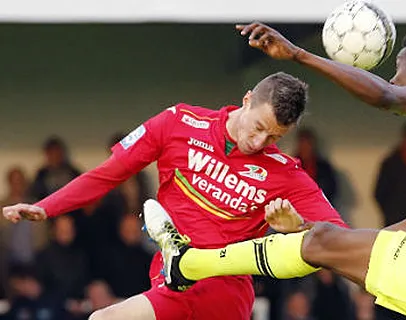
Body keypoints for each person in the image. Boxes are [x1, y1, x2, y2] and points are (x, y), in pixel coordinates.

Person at [146, 22, 406, 320]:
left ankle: (188, 264)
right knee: (322, 240)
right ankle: (187, 264)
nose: (393, 79)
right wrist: (333, 246)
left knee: (324, 242)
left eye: (398, 71)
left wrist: (298, 55)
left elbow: (385, 97)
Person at [2, 72, 347, 320]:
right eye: (257, 127)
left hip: (223, 295)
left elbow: (341, 238)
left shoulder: (286, 171)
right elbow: (109, 173)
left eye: (273, 137)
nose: (259, 143)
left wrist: (299, 225)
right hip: (171, 283)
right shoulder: (178, 123)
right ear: (246, 101)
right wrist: (46, 207)